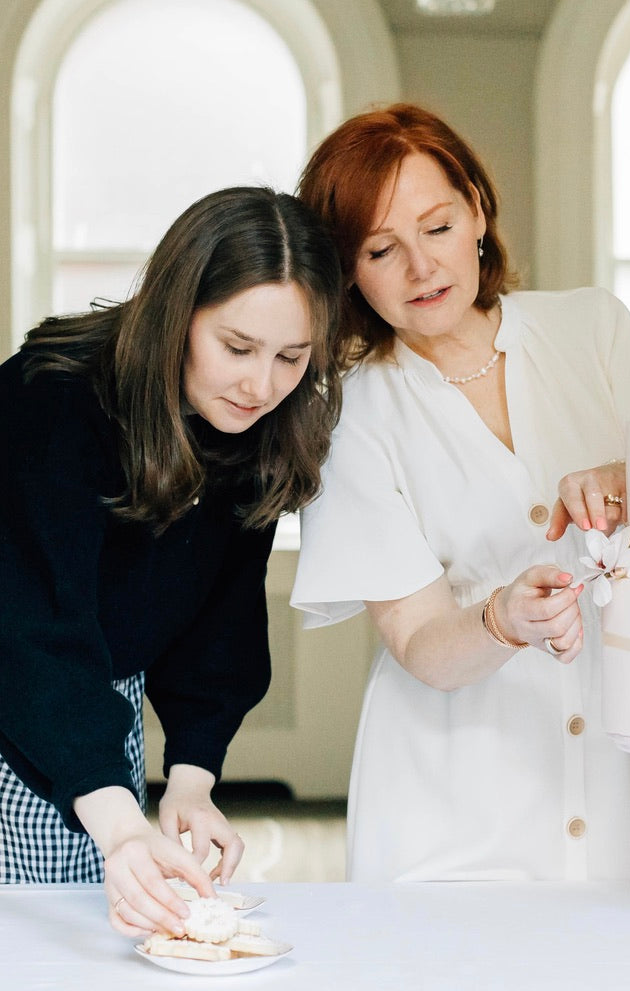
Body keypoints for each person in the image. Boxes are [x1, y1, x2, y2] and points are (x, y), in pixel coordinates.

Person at [291, 104, 630, 882]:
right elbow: (419, 640)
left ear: (478, 211)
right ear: (345, 269)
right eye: (381, 249)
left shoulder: (592, 328)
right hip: (453, 789)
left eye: (438, 227)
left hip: (628, 767)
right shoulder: (350, 412)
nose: (421, 267)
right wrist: (501, 618)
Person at [0, 186, 342, 933]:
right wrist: (120, 822)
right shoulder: (51, 398)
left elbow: (223, 616)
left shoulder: (256, 426)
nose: (261, 385)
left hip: (91, 708)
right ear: (176, 311)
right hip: (27, 681)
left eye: (291, 357)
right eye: (237, 348)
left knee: (88, 939)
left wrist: (191, 779)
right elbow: (30, 627)